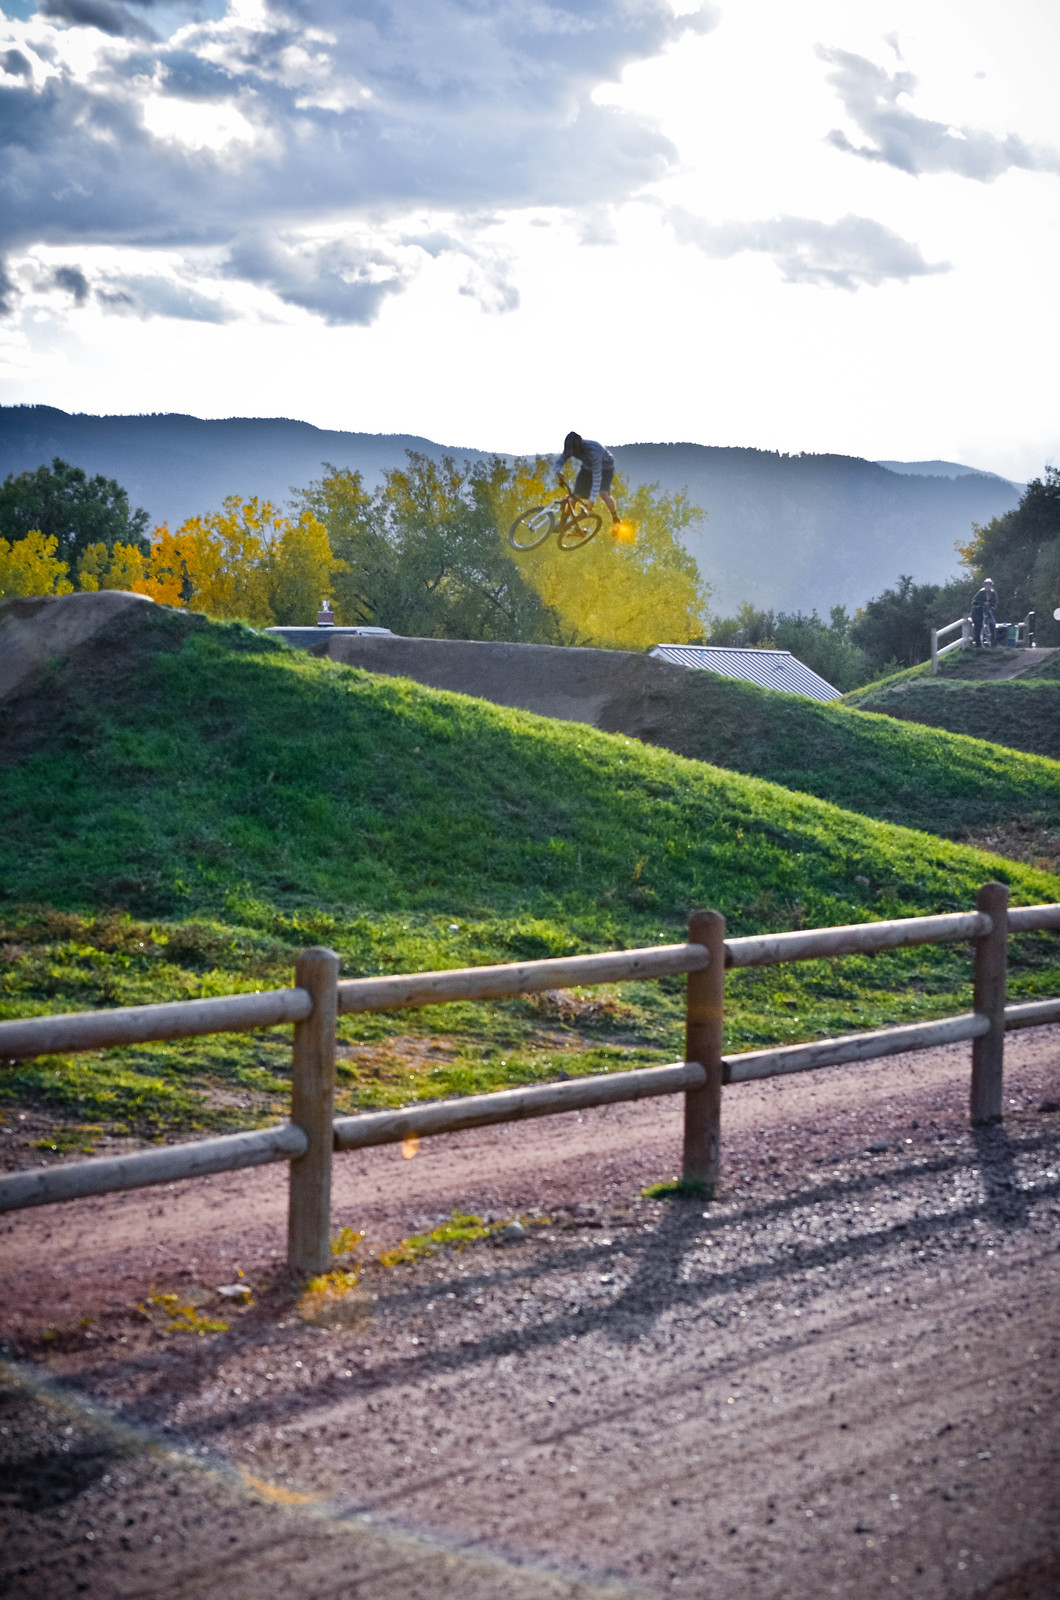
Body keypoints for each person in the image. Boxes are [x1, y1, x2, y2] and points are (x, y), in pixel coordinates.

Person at [557, 432, 619, 524]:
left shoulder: (594, 451)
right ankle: (563, 523)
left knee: (603, 493)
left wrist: (591, 502)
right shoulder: (572, 447)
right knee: (575, 496)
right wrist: (558, 472)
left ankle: (615, 517)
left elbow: (597, 479)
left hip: (605, 468)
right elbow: (561, 460)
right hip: (587, 467)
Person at [971, 578, 997, 647]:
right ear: (984, 585)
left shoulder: (993, 593)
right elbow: (974, 602)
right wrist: (982, 604)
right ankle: (978, 644)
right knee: (978, 626)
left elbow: (994, 603)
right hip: (978, 612)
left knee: (992, 624)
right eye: (986, 585)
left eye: (989, 585)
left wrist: (990, 605)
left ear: (991, 586)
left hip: (987, 611)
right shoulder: (980, 592)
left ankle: (993, 643)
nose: (988, 586)